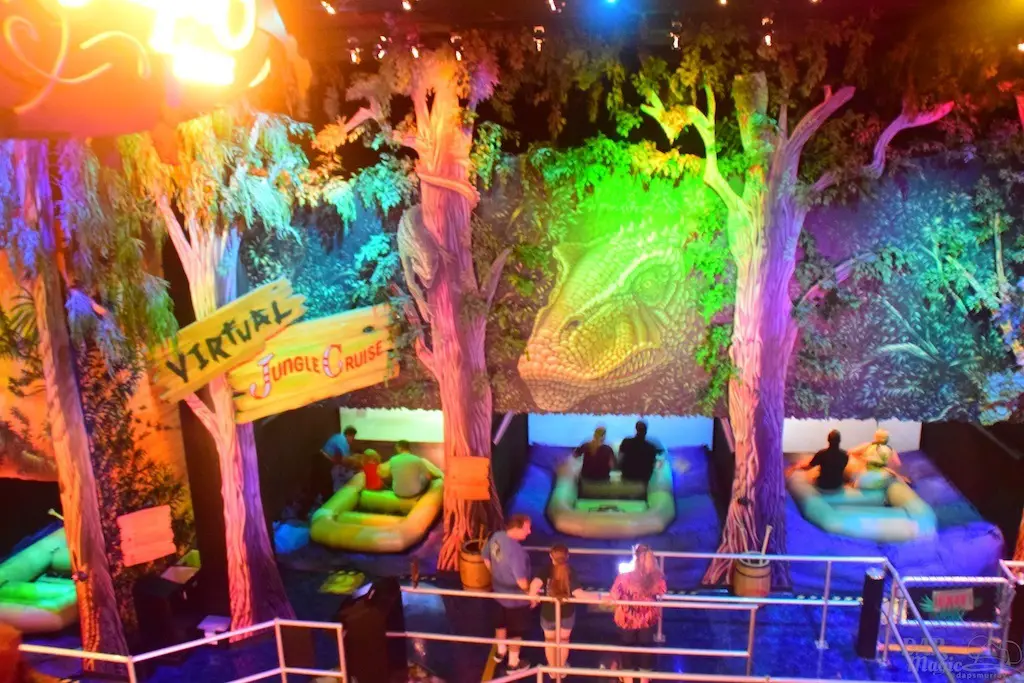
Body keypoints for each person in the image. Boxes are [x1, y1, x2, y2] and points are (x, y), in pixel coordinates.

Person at [607, 544, 666, 683]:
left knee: (627, 648)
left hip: (627, 617)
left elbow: (614, 595)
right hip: (647, 618)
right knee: (646, 648)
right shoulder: (657, 577)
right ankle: (644, 680)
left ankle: (628, 679)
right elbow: (662, 592)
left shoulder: (623, 577)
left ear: (635, 557)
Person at [483, 514, 534, 672]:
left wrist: (496, 576)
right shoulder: (517, 552)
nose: (530, 532)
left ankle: (500, 651)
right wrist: (531, 594)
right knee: (516, 632)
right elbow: (521, 581)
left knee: (500, 624)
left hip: (498, 593)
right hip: (515, 600)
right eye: (527, 528)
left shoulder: (496, 537)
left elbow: (486, 558)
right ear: (517, 528)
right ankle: (513, 663)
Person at [529, 545, 587, 676]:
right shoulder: (570, 571)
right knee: (564, 640)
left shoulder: (545, 569)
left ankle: (552, 669)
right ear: (567, 556)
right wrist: (600, 598)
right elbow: (578, 593)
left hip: (548, 613)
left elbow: (534, 585)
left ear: (551, 556)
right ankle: (561, 668)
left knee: (549, 641)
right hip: (567, 613)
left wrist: (533, 598)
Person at [377, 441, 444, 498]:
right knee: (426, 474)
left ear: (399, 448)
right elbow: (427, 476)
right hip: (415, 493)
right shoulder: (418, 459)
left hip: (398, 493)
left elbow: (382, 474)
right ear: (408, 447)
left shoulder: (393, 460)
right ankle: (442, 476)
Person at [322, 426, 359, 491]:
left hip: (323, 458)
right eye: (353, 438)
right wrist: (355, 468)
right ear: (350, 435)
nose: (352, 440)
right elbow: (345, 460)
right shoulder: (343, 441)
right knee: (327, 486)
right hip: (324, 461)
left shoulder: (338, 436)